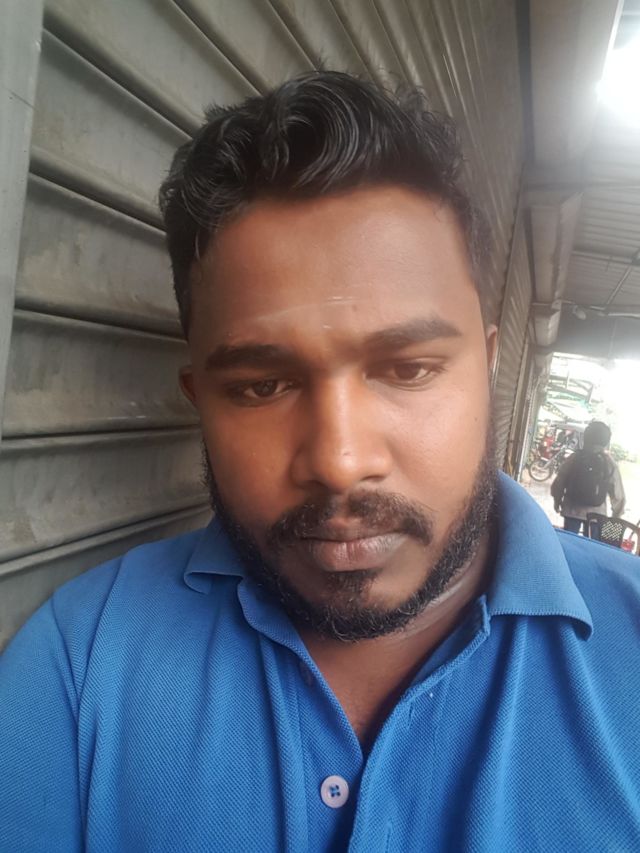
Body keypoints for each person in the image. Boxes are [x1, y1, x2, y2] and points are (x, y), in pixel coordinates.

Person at [1, 72, 639, 852]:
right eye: (261, 385)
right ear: (201, 401)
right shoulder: (78, 667)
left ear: (489, 367)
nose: (339, 462)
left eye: (408, 369)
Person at [551, 420, 625, 534]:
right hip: (596, 515)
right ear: (606, 441)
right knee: (590, 543)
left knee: (570, 540)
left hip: (572, 510)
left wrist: (557, 501)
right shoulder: (609, 462)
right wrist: (616, 515)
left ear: (586, 437)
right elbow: (618, 494)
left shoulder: (575, 457)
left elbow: (559, 482)